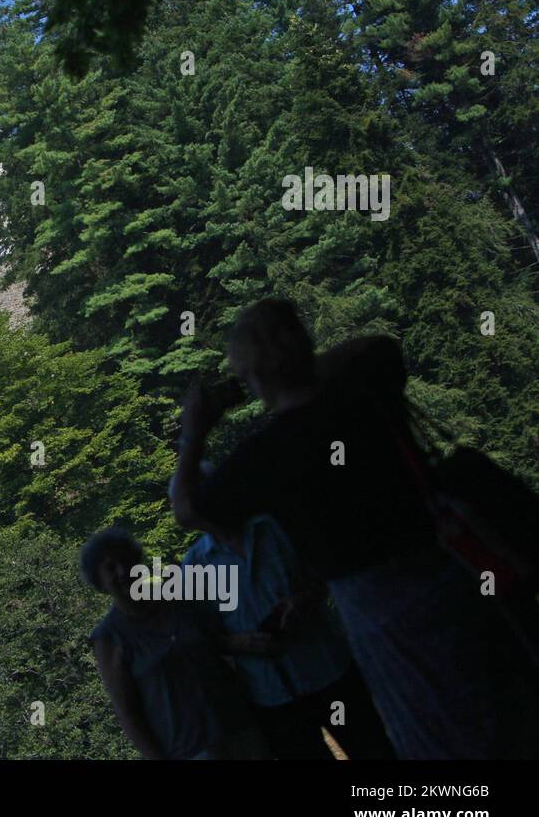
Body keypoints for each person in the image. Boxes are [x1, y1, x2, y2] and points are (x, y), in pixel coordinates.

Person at [169, 298, 539, 759]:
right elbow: (378, 346)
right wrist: (294, 363)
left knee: (437, 730)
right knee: (508, 695)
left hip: (381, 610)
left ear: (254, 375)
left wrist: (194, 430)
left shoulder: (265, 457)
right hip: (454, 567)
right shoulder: (364, 389)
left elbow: (187, 508)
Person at [181, 512, 395, 759]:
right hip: (273, 697)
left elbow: (326, 570)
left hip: (330, 674)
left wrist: (306, 599)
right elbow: (200, 636)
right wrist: (238, 642)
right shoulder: (195, 565)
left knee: (374, 752)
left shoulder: (277, 529)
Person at [81, 527, 270, 760]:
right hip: (189, 751)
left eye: (126, 561)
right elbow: (128, 714)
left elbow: (214, 641)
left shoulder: (177, 599)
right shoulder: (108, 638)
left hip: (239, 727)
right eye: (110, 567)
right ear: (99, 581)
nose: (122, 571)